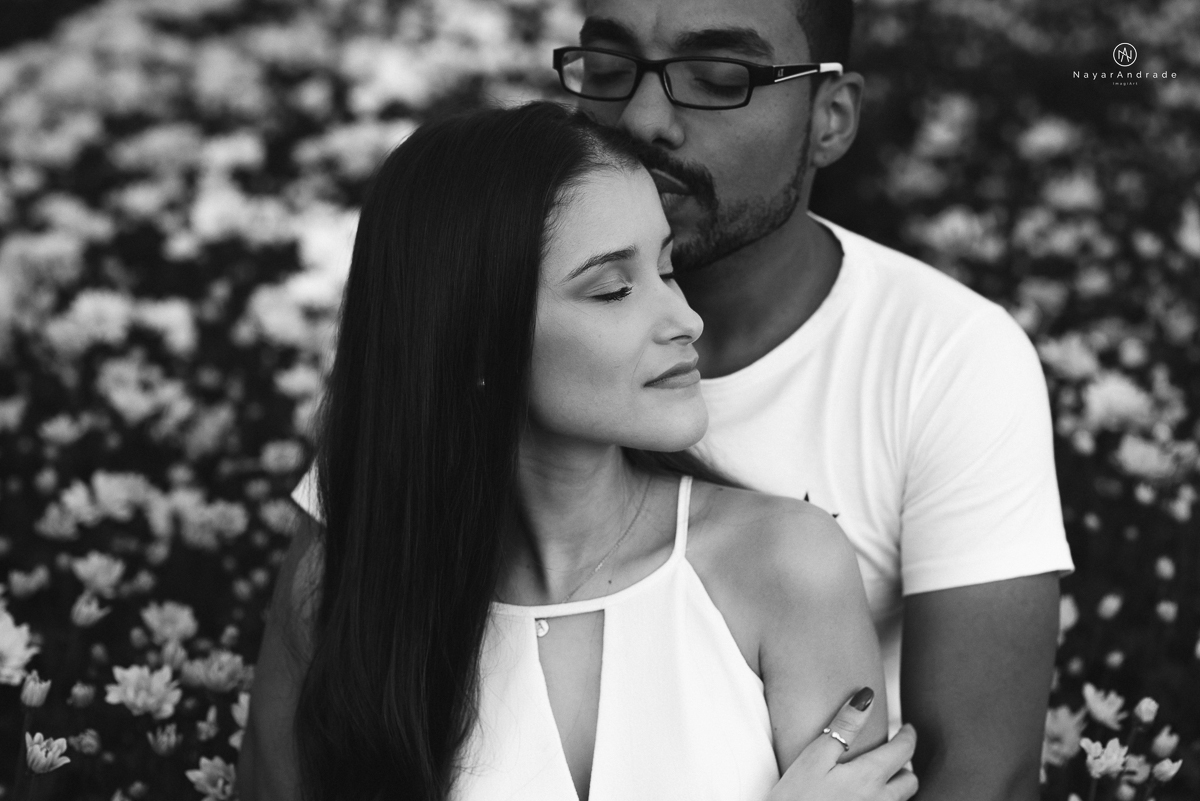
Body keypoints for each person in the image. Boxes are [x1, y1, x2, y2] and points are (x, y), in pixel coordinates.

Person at [239, 102, 918, 801]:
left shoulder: (785, 565)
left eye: (667, 268)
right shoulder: (348, 595)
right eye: (613, 289)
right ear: (474, 339)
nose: (686, 320)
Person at [543, 1, 1076, 799]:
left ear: (830, 119)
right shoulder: (476, 320)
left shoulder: (945, 355)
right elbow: (297, 735)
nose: (643, 118)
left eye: (718, 78)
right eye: (610, 68)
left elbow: (981, 776)